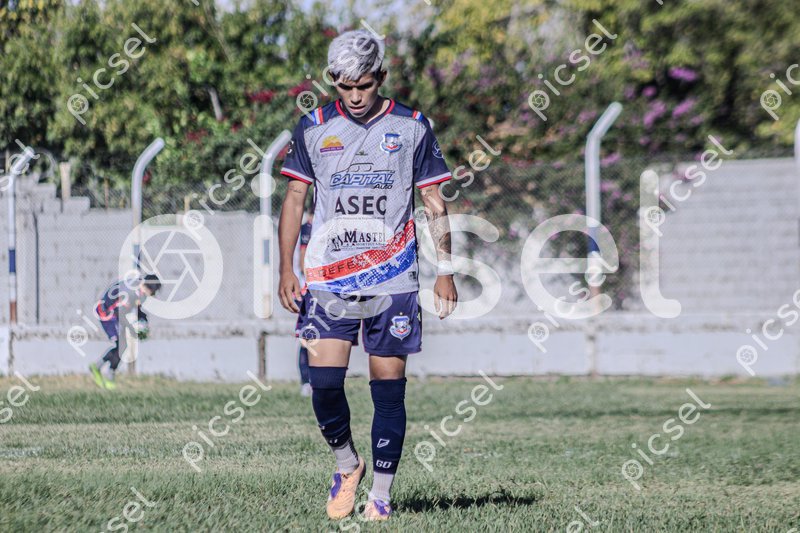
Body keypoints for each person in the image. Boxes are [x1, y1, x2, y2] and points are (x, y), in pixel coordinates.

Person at [277, 30, 458, 522]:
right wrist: (286, 267)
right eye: (344, 86)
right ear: (332, 81)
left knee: (388, 387)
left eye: (364, 85)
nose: (355, 96)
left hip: (393, 278)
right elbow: (294, 198)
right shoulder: (313, 127)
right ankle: (346, 464)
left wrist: (445, 270)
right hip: (328, 277)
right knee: (323, 383)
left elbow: (433, 201)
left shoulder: (412, 126)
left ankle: (380, 495)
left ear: (381, 77)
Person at [89, 273, 161, 390]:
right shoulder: (131, 291)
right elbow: (120, 312)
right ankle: (104, 371)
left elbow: (135, 309)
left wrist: (143, 320)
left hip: (116, 314)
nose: (151, 294)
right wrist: (134, 329)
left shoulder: (139, 290)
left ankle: (101, 369)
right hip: (108, 315)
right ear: (147, 287)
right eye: (151, 291)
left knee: (123, 347)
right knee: (121, 345)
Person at [295, 211, 313, 397]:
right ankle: (306, 381)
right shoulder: (308, 227)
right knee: (307, 337)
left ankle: (312, 380)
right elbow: (302, 261)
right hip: (308, 291)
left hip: (313, 290)